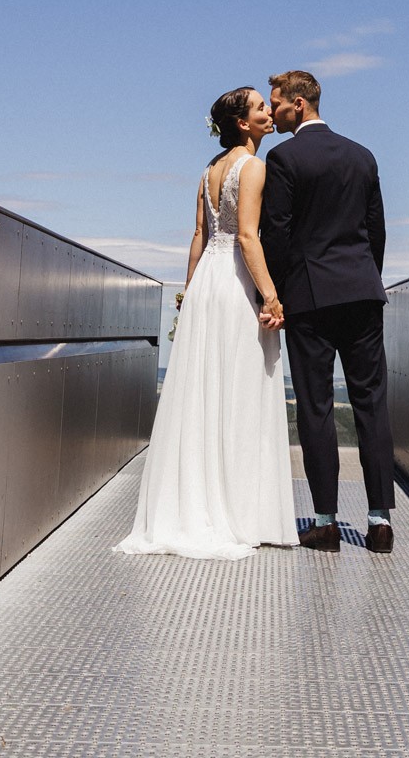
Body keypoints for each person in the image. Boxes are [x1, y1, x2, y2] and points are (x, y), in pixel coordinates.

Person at [114, 87, 296, 559]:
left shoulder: (208, 169)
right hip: (235, 282)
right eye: (260, 108)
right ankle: (238, 511)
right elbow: (249, 238)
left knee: (203, 390)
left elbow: (200, 234)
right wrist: (272, 296)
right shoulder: (253, 168)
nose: (267, 114)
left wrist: (188, 291)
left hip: (206, 285)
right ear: (242, 123)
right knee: (240, 390)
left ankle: (195, 501)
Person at [262, 69, 394, 553]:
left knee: (315, 407)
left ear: (298, 104)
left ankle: (326, 523)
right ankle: (380, 524)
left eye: (276, 103)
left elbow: (275, 233)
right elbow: (376, 230)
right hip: (362, 291)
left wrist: (273, 294)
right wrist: (364, 276)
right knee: (371, 403)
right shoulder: (363, 156)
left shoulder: (284, 157)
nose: (272, 111)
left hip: (310, 298)